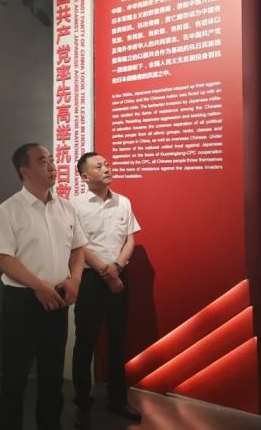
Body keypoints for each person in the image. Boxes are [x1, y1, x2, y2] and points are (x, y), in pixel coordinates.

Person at [0, 143, 87, 430]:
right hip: (22, 301)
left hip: (58, 298)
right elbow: (2, 257)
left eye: (52, 160)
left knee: (52, 374)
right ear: (24, 171)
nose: (52, 166)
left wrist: (75, 280)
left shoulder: (66, 207)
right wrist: (37, 286)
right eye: (42, 161)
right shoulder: (9, 210)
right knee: (15, 375)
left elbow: (78, 248)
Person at [71, 152, 142, 427]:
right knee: (85, 342)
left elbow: (130, 239)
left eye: (107, 164)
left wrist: (118, 267)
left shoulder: (123, 201)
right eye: (99, 166)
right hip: (90, 280)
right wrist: (105, 270)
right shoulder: (75, 205)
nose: (106, 168)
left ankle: (118, 399)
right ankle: (82, 402)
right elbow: (78, 245)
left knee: (118, 339)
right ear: (85, 176)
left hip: (120, 276)